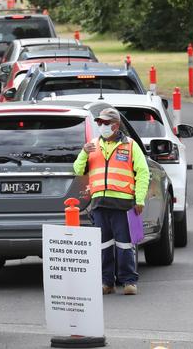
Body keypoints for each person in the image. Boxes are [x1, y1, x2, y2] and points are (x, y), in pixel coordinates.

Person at [73, 107, 150, 295]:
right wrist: (83, 152)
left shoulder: (130, 145)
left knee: (125, 245)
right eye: (99, 122)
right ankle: (107, 283)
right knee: (104, 246)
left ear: (115, 125)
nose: (101, 126)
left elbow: (143, 172)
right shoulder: (92, 145)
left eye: (105, 123)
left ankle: (129, 281)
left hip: (123, 204)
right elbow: (77, 169)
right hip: (99, 204)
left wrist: (139, 199)